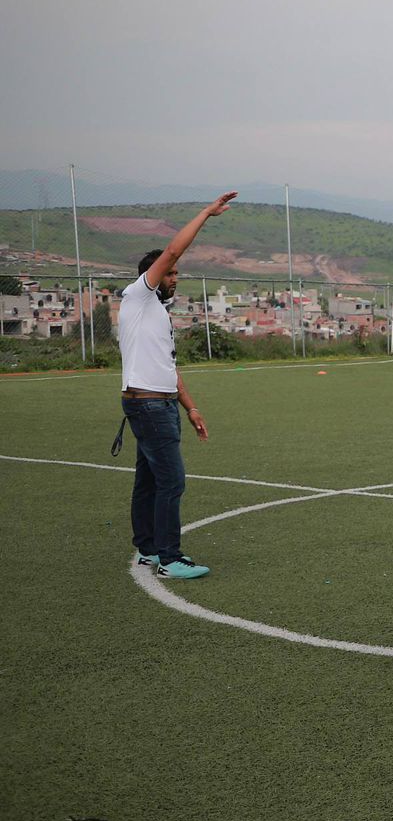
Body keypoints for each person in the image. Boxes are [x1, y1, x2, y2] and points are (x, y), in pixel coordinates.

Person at [118, 192, 237, 580]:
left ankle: (148, 550)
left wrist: (191, 407)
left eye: (175, 274)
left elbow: (169, 368)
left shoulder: (156, 313)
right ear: (152, 276)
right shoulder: (138, 296)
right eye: (170, 274)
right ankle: (169, 558)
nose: (175, 278)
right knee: (171, 481)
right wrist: (205, 213)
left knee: (149, 481)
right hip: (149, 407)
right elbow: (172, 250)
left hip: (160, 404)